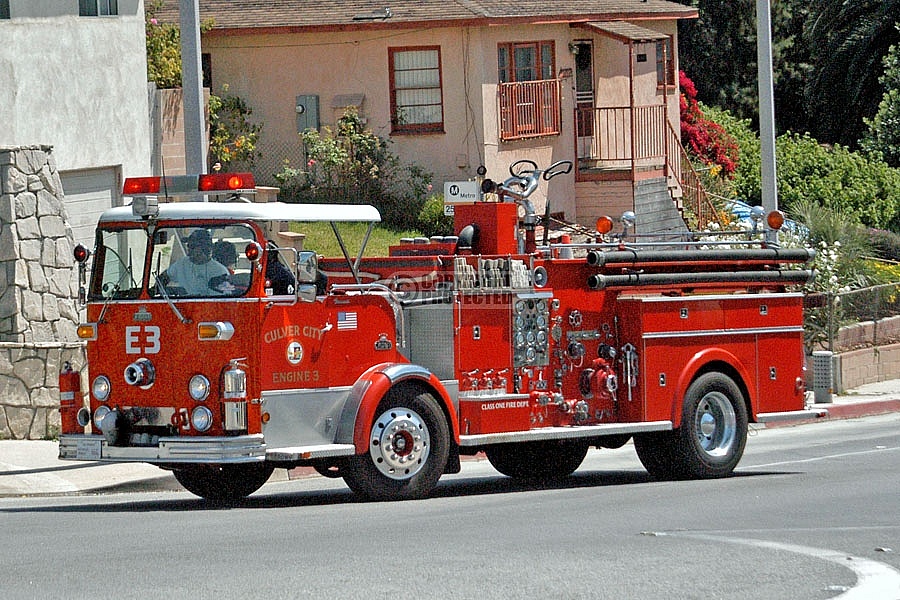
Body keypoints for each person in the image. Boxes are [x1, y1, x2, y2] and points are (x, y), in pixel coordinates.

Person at [164, 229, 232, 295]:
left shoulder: (220, 271)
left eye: (192, 246)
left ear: (204, 248)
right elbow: (165, 276)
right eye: (188, 246)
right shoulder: (181, 263)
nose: (189, 249)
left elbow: (222, 301)